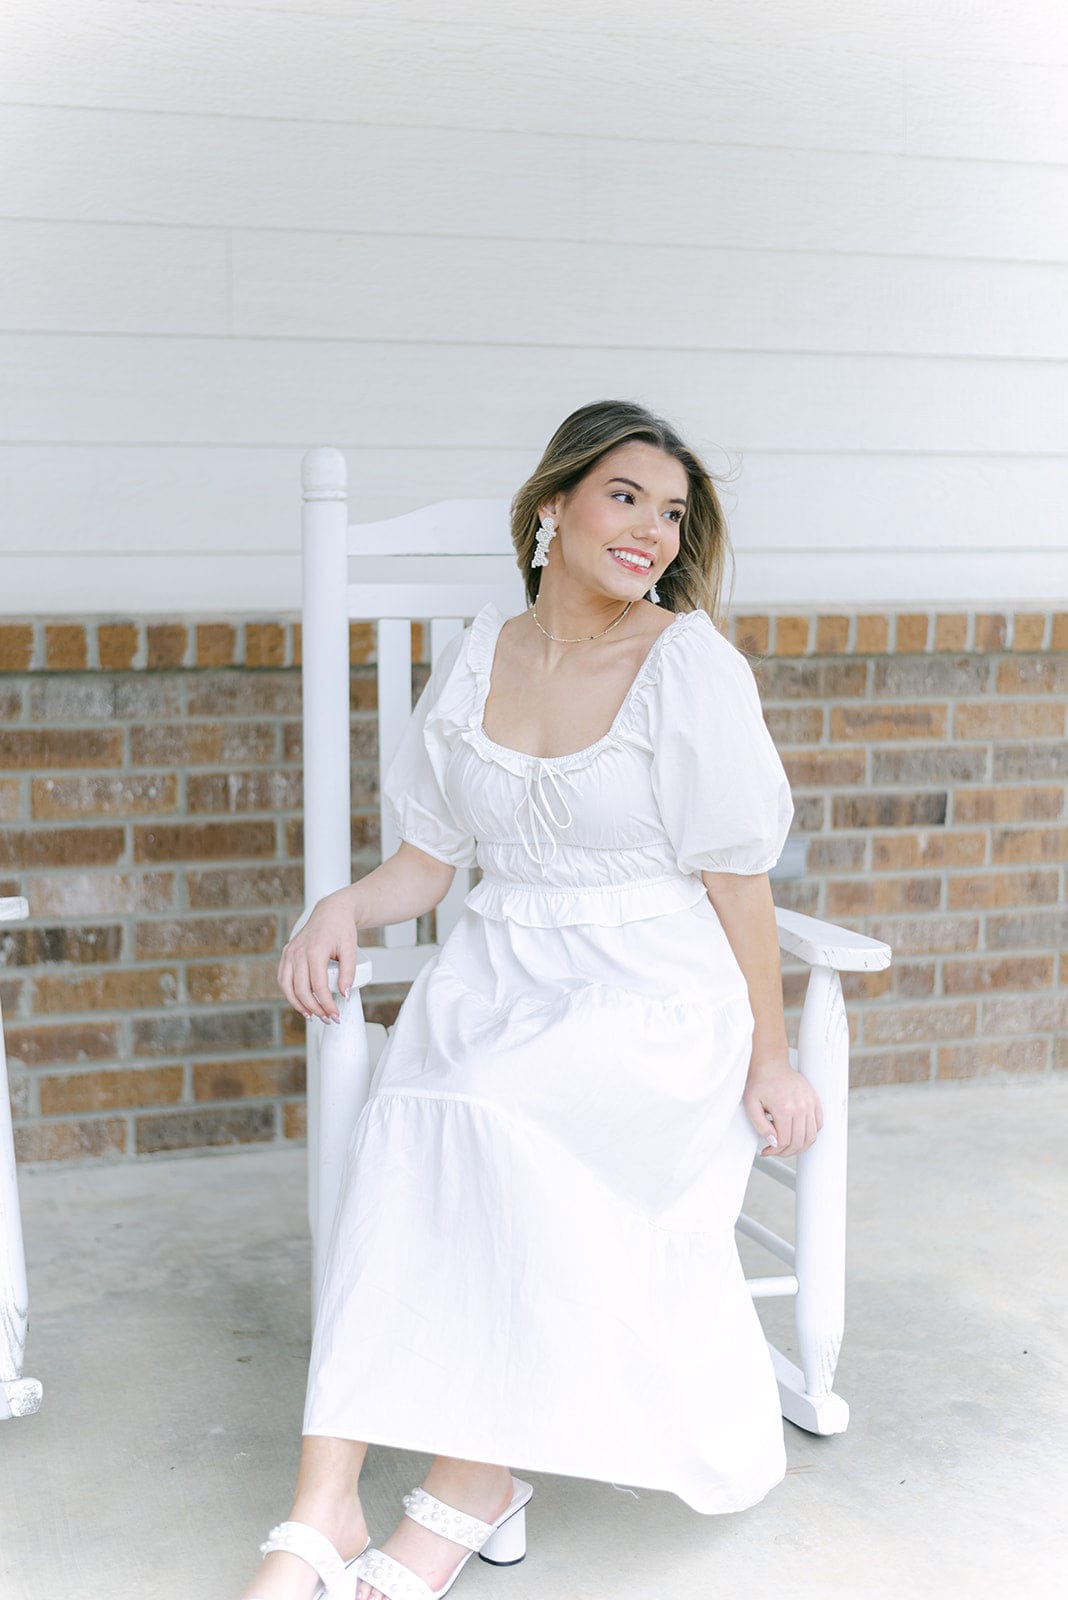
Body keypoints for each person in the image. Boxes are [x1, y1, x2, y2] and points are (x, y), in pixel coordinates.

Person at [241, 400, 823, 1600]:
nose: (652, 530)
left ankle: (469, 1483)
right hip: (499, 976)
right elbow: (429, 863)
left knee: (478, 1114)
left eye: (673, 513)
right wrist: (341, 905)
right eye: (625, 496)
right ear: (553, 505)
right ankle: (321, 1501)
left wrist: (771, 1054)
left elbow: (738, 881)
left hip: (651, 994)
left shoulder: (686, 664)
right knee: (413, 1120)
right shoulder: (480, 655)